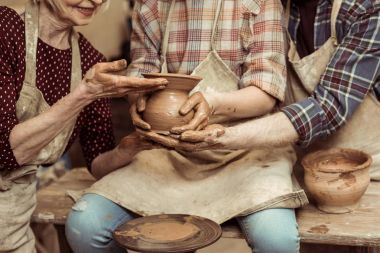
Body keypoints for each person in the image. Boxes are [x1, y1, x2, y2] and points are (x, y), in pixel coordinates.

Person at [66, 0, 308, 253]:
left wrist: (213, 104)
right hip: (169, 152)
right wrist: (139, 100)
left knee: (276, 240)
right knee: (86, 224)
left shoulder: (259, 3)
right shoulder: (151, 4)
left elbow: (265, 92)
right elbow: (140, 74)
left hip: (244, 153)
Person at [0, 0, 167, 252]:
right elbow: (6, 150)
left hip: (13, 216)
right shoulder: (5, 28)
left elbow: (97, 162)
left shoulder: (90, 59)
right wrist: (83, 95)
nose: (97, 1)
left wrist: (127, 149)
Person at [171, 0, 380, 182]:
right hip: (301, 168)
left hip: (364, 174)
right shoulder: (277, 7)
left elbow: (328, 108)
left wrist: (224, 137)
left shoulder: (366, 8)